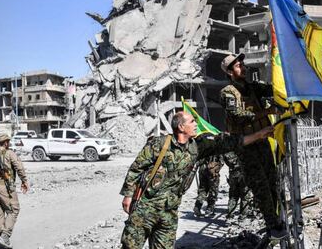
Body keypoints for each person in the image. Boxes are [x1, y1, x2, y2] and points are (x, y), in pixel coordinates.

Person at [120, 111, 274, 249]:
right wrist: (128, 195)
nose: (196, 125)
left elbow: (229, 142)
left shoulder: (197, 147)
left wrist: (258, 135)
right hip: (146, 208)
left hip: (169, 213)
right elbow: (136, 168)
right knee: (130, 246)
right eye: (192, 122)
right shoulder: (159, 144)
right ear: (181, 127)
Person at [220, 53, 286, 240]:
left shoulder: (253, 88)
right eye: (239, 66)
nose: (244, 68)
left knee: (272, 181)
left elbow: (273, 90)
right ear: (230, 72)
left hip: (262, 141)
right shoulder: (227, 92)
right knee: (260, 185)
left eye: (243, 64)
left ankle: (275, 220)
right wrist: (266, 111)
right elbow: (238, 116)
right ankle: (273, 226)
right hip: (245, 145)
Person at [0, 133, 29, 249]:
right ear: (6, 142)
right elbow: (19, 167)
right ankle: (5, 236)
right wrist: (24, 181)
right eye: (8, 141)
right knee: (14, 209)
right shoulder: (9, 153)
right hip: (5, 186)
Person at [223, 151, 252, 219]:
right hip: (243, 175)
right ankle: (243, 215)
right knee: (245, 196)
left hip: (233, 175)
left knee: (233, 195)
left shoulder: (228, 150)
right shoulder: (245, 148)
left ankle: (230, 213)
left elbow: (227, 161)